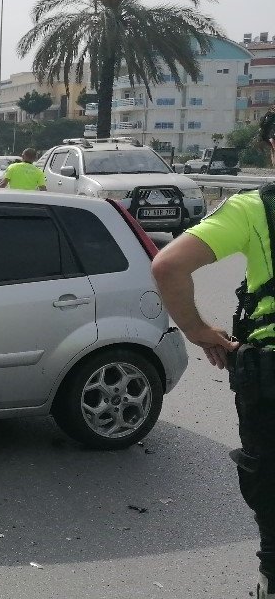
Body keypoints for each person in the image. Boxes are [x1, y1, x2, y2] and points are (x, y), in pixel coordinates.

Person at [152, 186, 275, 599]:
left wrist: (197, 330)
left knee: (270, 483)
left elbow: (168, 265)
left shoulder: (256, 207)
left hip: (271, 376)